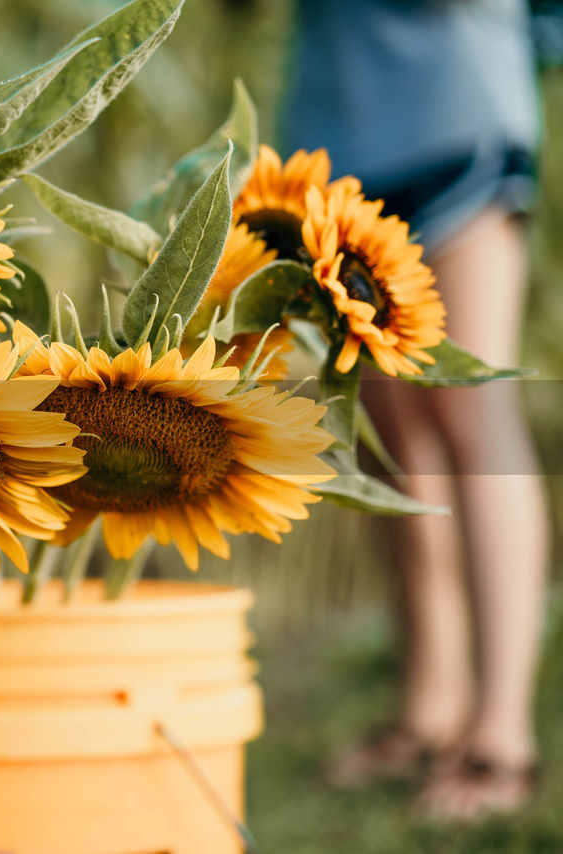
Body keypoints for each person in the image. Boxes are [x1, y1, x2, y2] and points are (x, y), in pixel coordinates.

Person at [284, 0, 550, 822]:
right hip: (335, 140)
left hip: (455, 119)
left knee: (476, 419)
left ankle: (502, 737)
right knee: (392, 444)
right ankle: (429, 711)